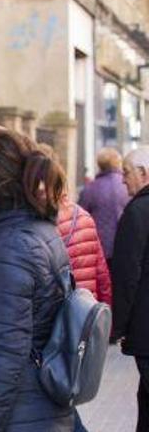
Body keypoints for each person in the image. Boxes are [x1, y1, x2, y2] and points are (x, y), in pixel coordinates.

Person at [0, 128, 73, 431]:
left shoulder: (11, 248)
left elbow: (5, 355)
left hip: (22, 415)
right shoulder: (36, 230)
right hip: (38, 405)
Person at [36, 144, 112, 307]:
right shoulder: (84, 217)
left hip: (55, 318)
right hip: (83, 315)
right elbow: (102, 274)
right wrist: (106, 317)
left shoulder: (38, 223)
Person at [110, 146, 149, 432]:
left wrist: (117, 326)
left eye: (126, 173)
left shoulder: (137, 212)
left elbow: (126, 276)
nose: (123, 180)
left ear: (144, 173)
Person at [79, 147, 130, 266]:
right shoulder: (127, 186)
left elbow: (80, 219)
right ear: (119, 163)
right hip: (125, 246)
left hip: (99, 248)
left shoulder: (90, 189)